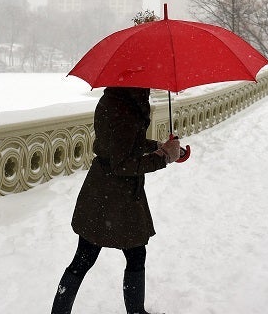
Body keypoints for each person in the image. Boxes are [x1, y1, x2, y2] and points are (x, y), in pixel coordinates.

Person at [50, 86, 182, 314]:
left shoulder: (113, 100)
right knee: (132, 254)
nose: (149, 89)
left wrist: (159, 147)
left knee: (85, 258)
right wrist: (163, 158)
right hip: (117, 198)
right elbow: (123, 163)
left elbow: (122, 145)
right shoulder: (128, 112)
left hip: (100, 191)